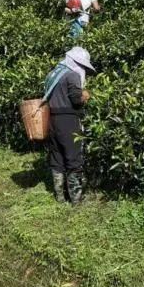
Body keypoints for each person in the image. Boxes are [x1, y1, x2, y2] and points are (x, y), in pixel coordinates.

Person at [43, 46, 95, 205]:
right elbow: (75, 99)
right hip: (68, 121)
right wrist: (85, 96)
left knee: (57, 157)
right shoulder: (72, 75)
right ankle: (76, 200)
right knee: (74, 159)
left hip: (51, 120)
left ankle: (59, 197)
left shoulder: (52, 75)